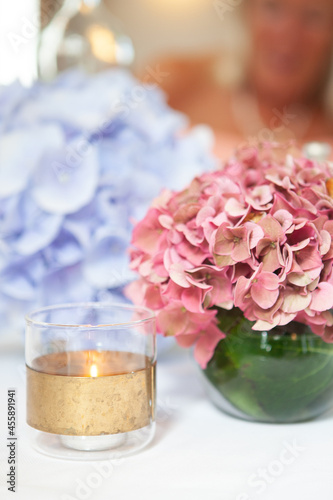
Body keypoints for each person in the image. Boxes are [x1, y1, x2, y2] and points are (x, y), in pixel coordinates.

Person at [149, 0, 333, 160]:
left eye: (313, 15)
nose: (288, 33)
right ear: (247, 11)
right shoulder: (176, 81)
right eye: (273, 6)